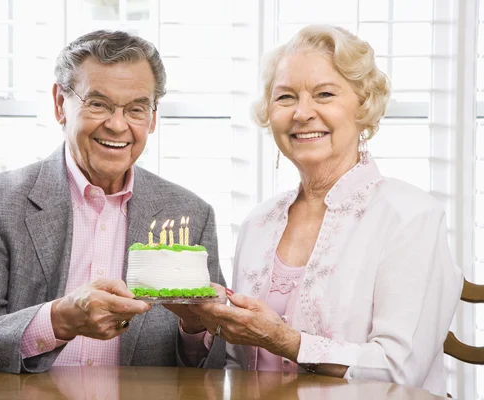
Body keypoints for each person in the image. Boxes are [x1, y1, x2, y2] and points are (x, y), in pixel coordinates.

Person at [0, 30, 226, 372]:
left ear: (152, 117)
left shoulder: (191, 216)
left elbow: (216, 366)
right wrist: (56, 321)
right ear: (59, 103)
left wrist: (195, 328)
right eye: (98, 104)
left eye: (136, 109)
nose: (117, 125)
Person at [191, 25, 463, 396]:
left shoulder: (411, 218)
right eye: (285, 97)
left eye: (324, 94)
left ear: (363, 106)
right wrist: (198, 324)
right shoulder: (259, 222)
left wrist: (286, 340)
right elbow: (237, 367)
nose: (302, 113)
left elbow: (401, 370)